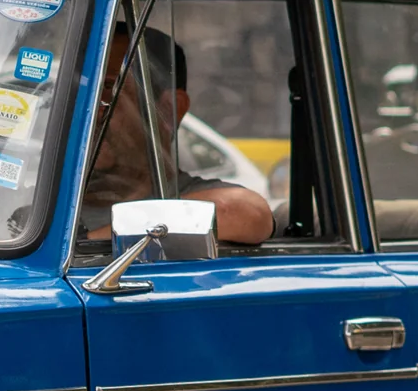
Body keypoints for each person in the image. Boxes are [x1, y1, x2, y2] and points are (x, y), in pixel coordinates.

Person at [83, 31, 276, 246]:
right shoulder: (44, 214)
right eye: (78, 93)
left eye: (108, 89)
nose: (87, 109)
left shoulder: (194, 198)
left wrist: (86, 244)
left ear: (168, 109)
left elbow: (241, 211)